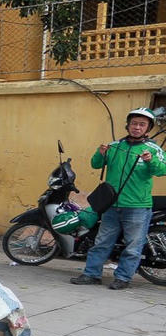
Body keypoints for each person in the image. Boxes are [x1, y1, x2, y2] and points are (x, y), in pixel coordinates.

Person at [71, 108, 166, 289]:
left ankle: (123, 278)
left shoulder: (153, 149)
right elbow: (95, 164)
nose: (137, 127)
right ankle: (91, 275)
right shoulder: (114, 146)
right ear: (128, 125)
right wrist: (100, 153)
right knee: (101, 242)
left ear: (148, 128)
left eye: (142, 125)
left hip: (138, 206)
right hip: (111, 205)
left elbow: (163, 170)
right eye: (134, 123)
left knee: (133, 246)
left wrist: (150, 160)